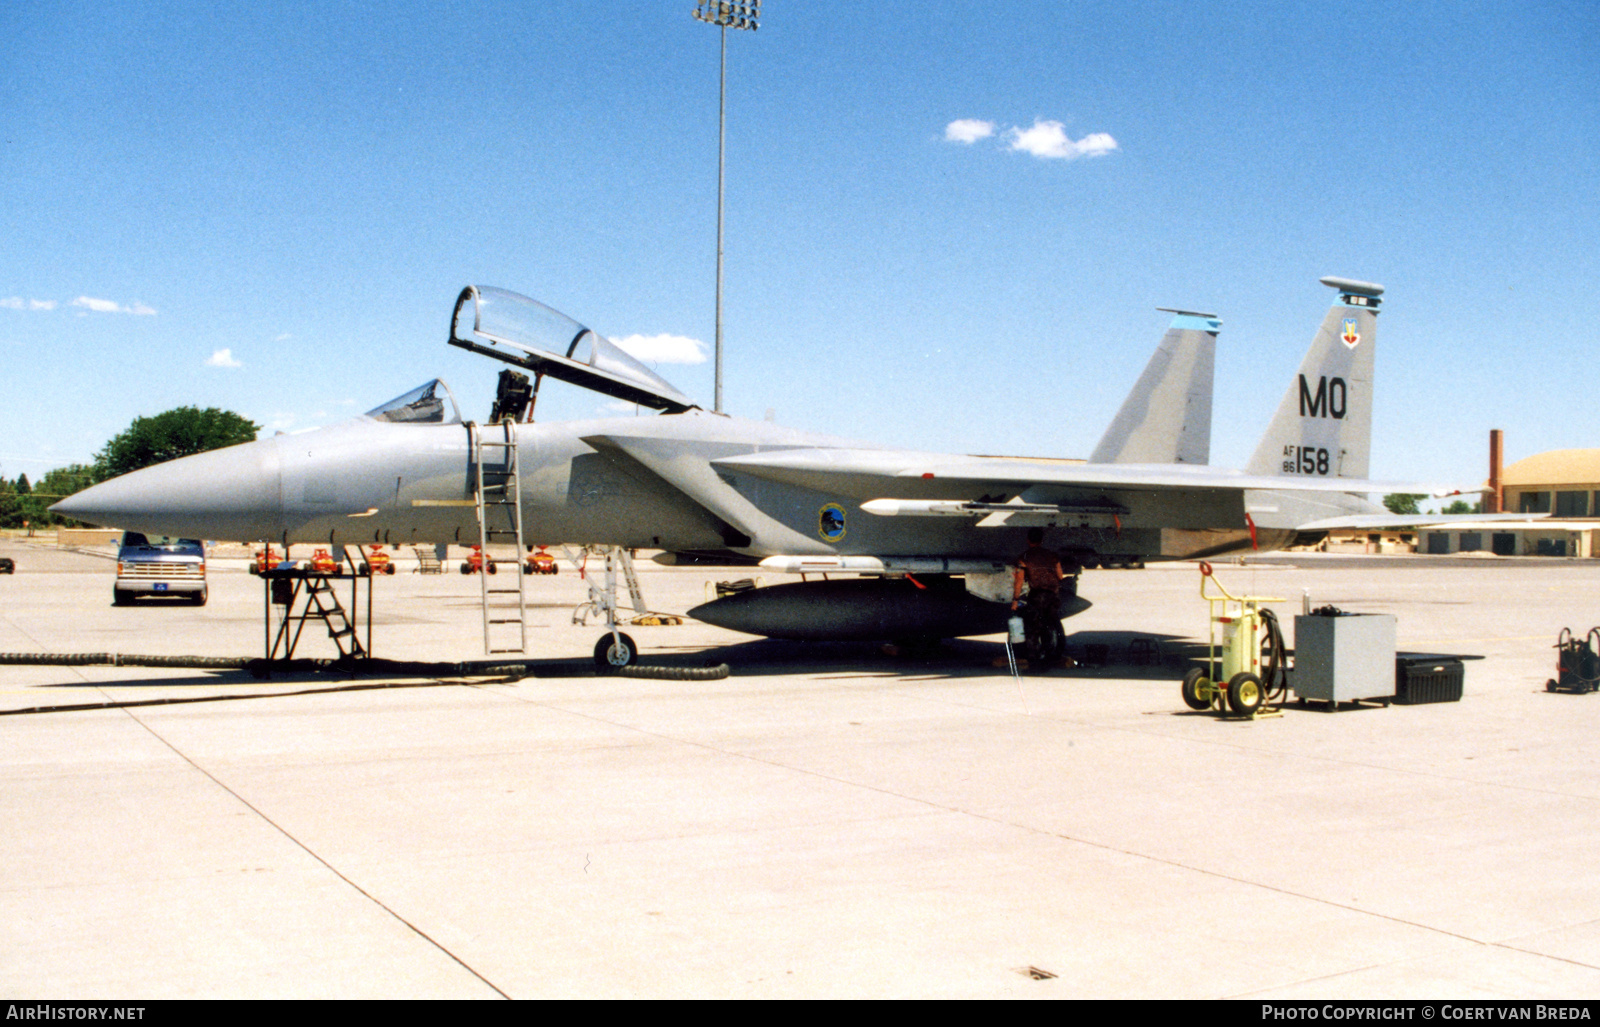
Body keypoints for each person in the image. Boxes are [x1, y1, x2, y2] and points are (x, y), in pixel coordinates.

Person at [1011, 528, 1079, 667]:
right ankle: (1050, 655)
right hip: (1052, 595)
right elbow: (1060, 576)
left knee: (1032, 627)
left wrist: (1015, 600)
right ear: (1042, 540)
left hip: (1037, 595)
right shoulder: (1052, 555)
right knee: (1050, 625)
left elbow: (1019, 581)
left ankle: (1034, 658)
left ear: (1028, 540)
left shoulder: (1024, 558)